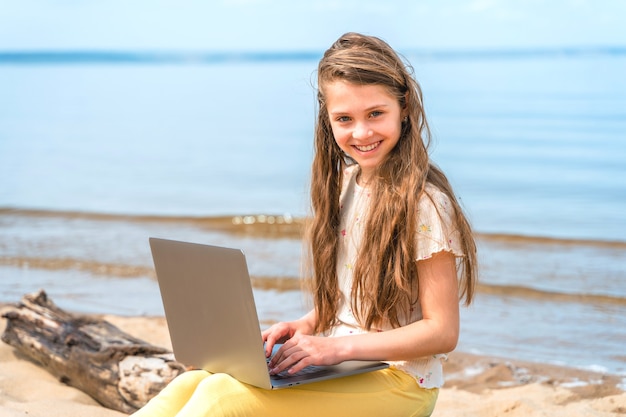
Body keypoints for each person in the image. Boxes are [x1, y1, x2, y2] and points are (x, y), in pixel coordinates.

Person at [131, 32, 477, 417]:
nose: (361, 133)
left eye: (375, 114)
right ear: (327, 119)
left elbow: (442, 331)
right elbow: (354, 304)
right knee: (196, 382)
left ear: (405, 106)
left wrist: (333, 348)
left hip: (401, 384)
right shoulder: (345, 185)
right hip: (345, 367)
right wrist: (308, 324)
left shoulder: (426, 204)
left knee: (221, 399)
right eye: (344, 119)